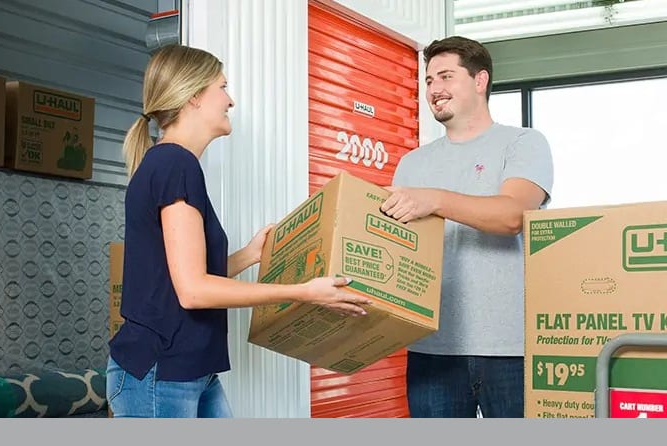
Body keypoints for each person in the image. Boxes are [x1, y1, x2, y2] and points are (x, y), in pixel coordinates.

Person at [106, 44, 371, 418]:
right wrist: (303, 293)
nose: (229, 100)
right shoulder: (174, 165)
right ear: (194, 96)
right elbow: (194, 291)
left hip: (192, 369)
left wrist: (250, 255)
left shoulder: (171, 163)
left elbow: (175, 279)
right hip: (159, 373)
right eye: (222, 87)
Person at [380, 36, 554, 418]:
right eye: (427, 80)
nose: (434, 89)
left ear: (480, 81)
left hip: (511, 349)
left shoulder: (523, 143)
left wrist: (435, 200)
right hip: (431, 349)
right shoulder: (412, 163)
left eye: (445, 76)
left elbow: (512, 217)